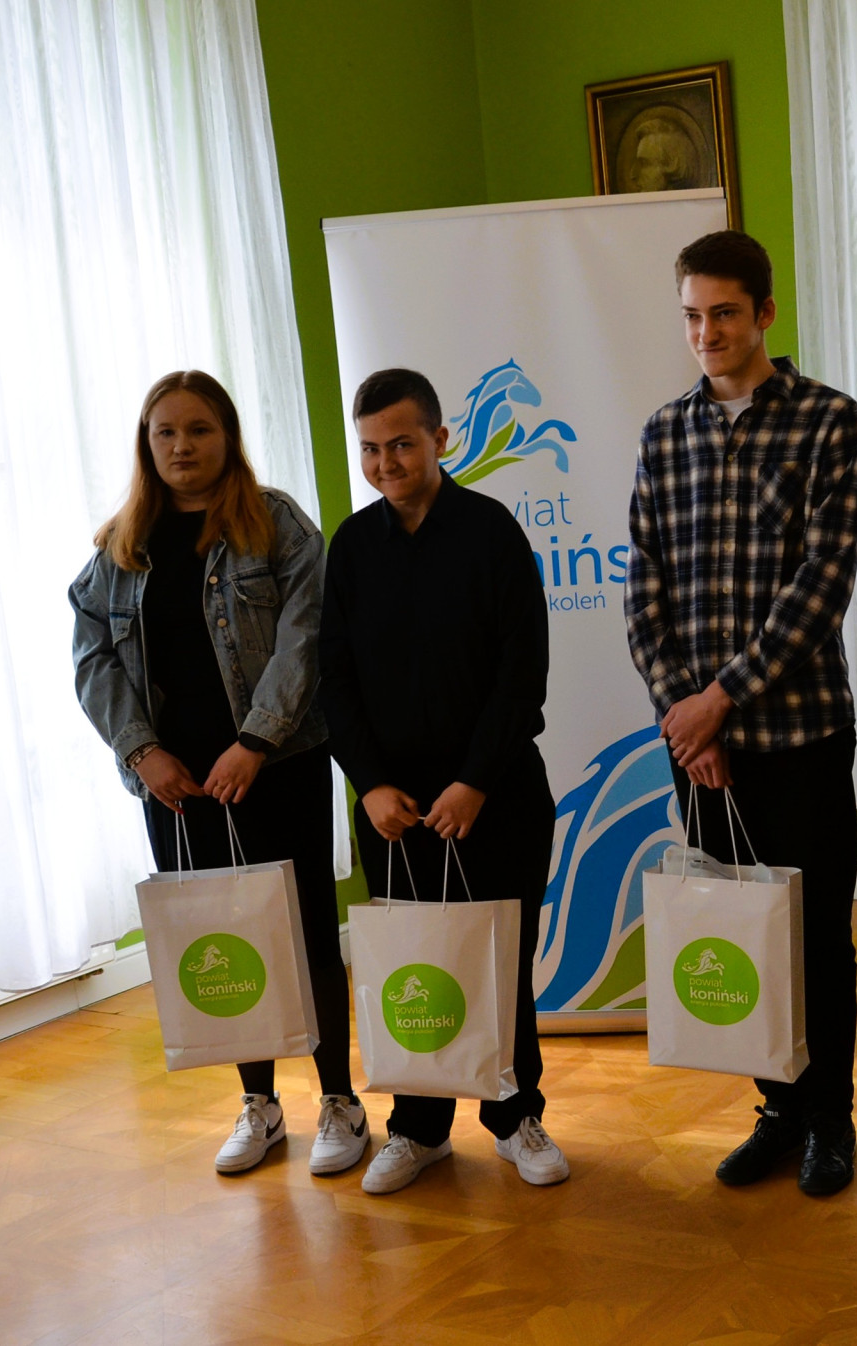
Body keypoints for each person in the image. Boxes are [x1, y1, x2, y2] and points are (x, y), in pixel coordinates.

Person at [70, 370, 363, 1177]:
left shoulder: (275, 523)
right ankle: (259, 1104)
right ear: (146, 444)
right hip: (178, 785)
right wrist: (141, 752)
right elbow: (92, 659)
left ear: (227, 436)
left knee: (304, 932)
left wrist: (256, 739)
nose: (182, 446)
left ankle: (339, 1100)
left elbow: (309, 635)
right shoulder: (121, 546)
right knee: (222, 941)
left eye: (198, 429)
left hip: (277, 767)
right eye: (165, 432)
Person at [625, 230, 857, 1196]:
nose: (706, 333)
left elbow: (824, 583)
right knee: (743, 935)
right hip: (702, 750)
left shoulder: (828, 420)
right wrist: (684, 722)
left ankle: (832, 1119)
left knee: (817, 940)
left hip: (800, 734)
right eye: (692, 316)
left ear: (764, 312)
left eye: (724, 313)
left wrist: (718, 701)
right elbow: (642, 589)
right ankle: (778, 1109)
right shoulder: (663, 433)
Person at [320, 367, 569, 1195]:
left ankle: (514, 1115)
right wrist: (368, 784)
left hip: (495, 798)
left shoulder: (491, 531)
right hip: (393, 810)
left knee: (499, 964)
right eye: (370, 449)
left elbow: (522, 674)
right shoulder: (352, 547)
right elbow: (334, 681)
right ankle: (417, 1128)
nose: (385, 463)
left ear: (439, 439)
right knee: (412, 969)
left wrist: (474, 781)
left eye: (401, 444)